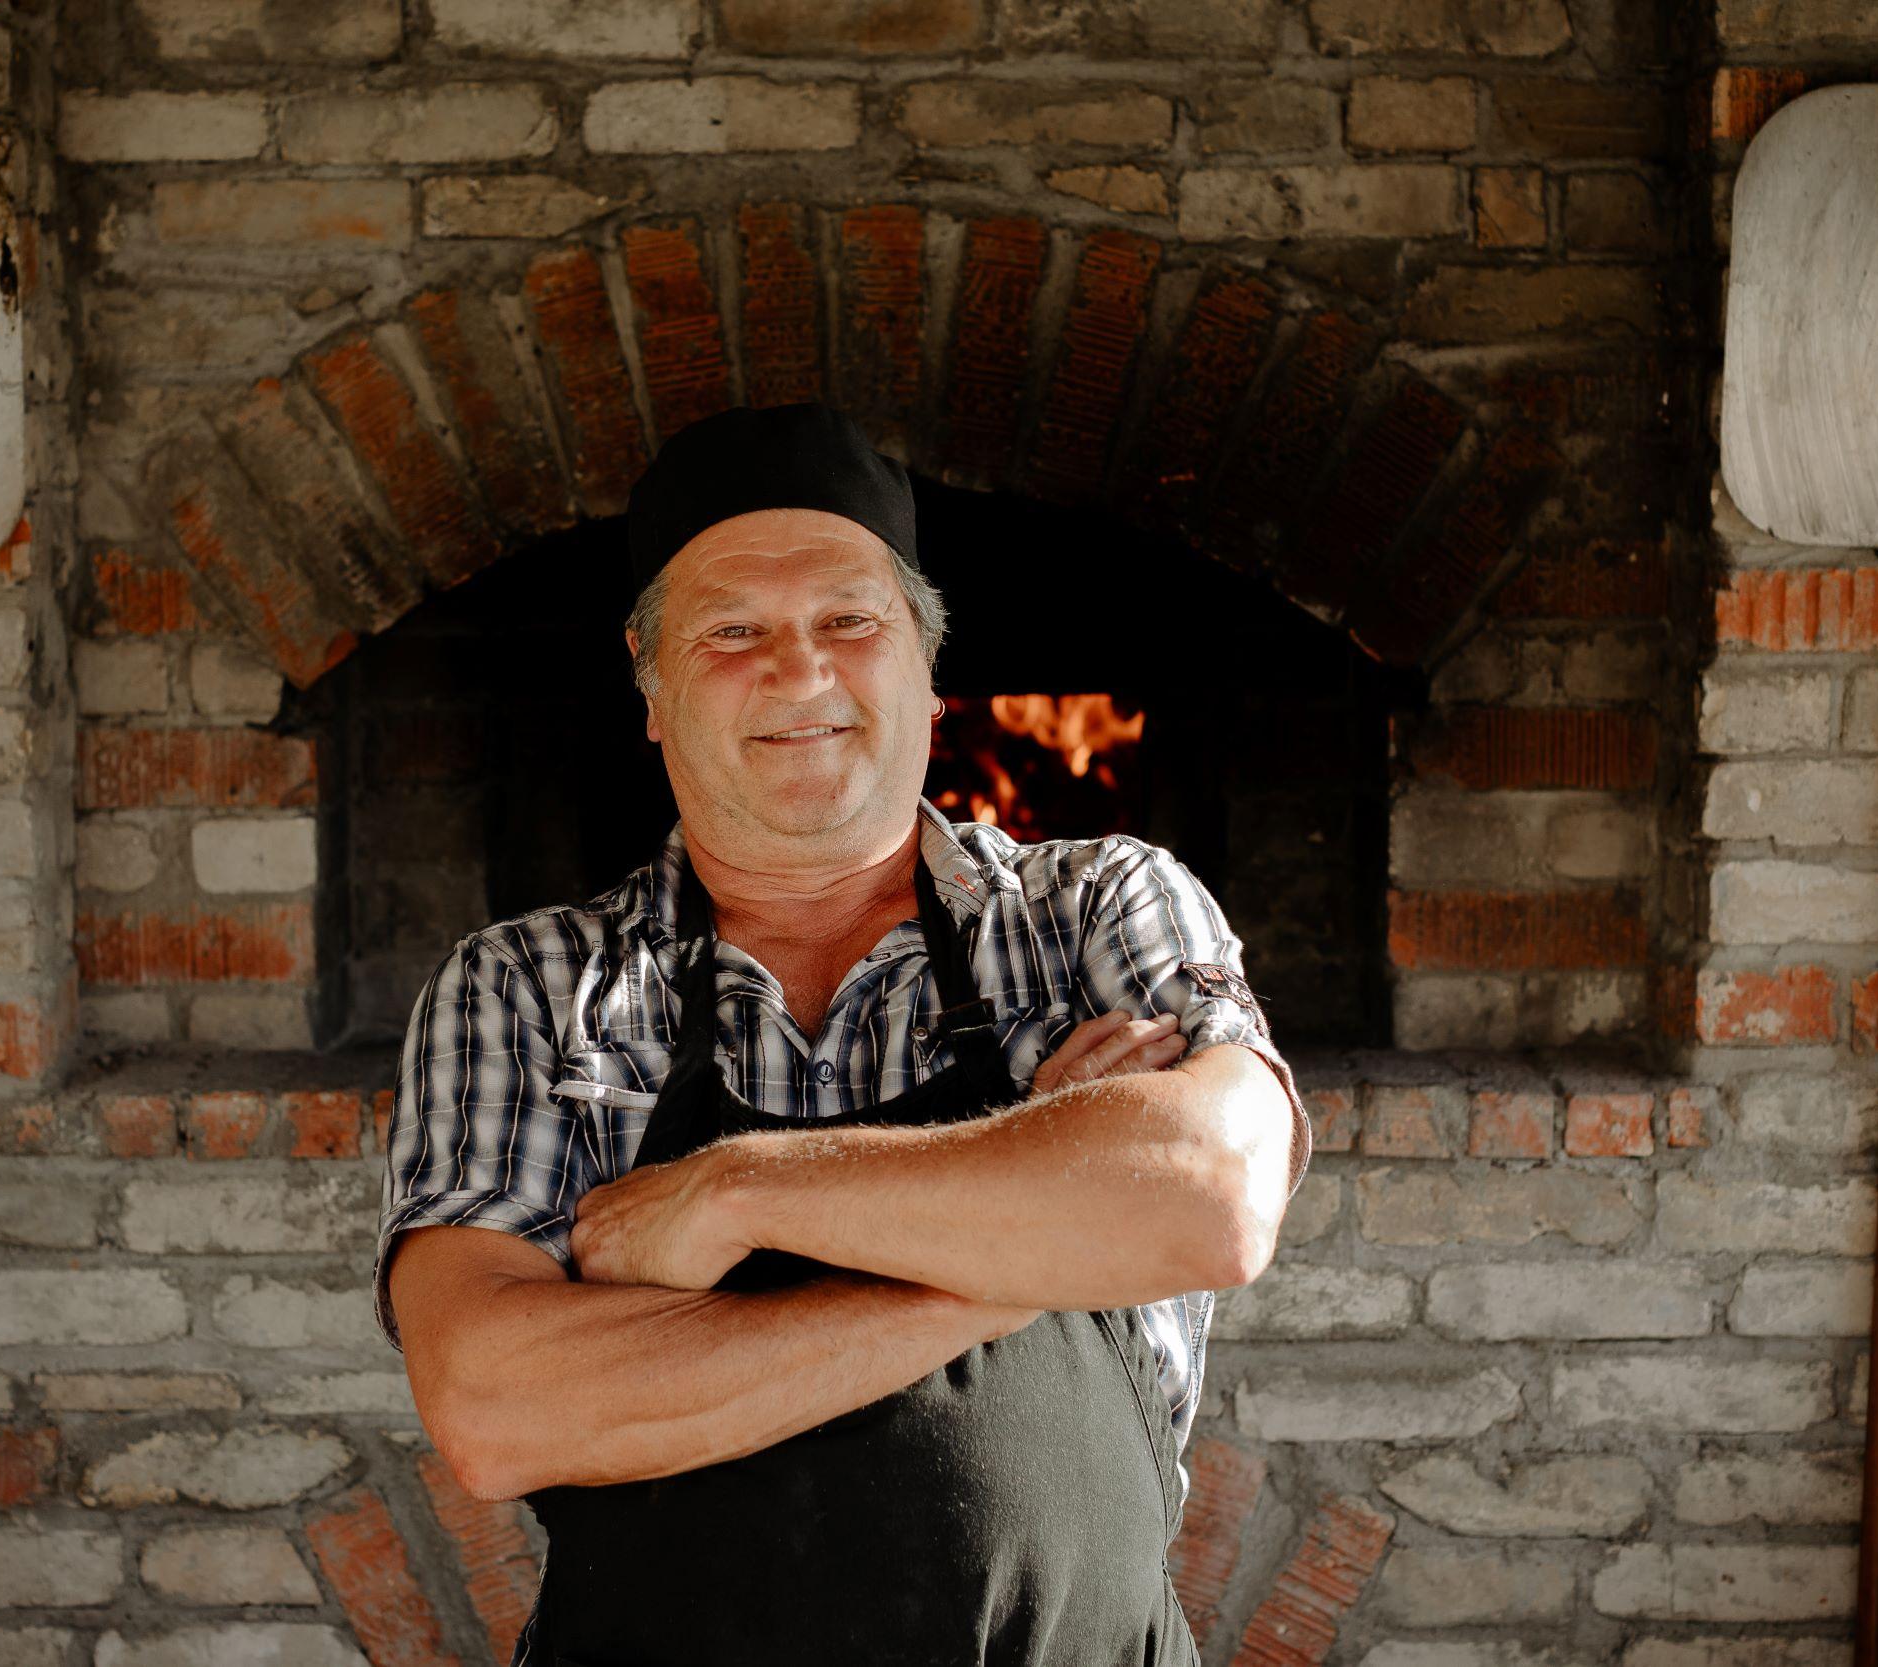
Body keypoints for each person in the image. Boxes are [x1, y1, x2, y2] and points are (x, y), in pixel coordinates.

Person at [373, 403, 1310, 1667]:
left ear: (927, 670)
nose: (799, 670)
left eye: (849, 622)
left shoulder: (1094, 906)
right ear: (649, 688)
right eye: (731, 630)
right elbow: (494, 1402)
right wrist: (1036, 1252)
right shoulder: (529, 987)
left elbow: (1209, 1195)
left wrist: (738, 1191)